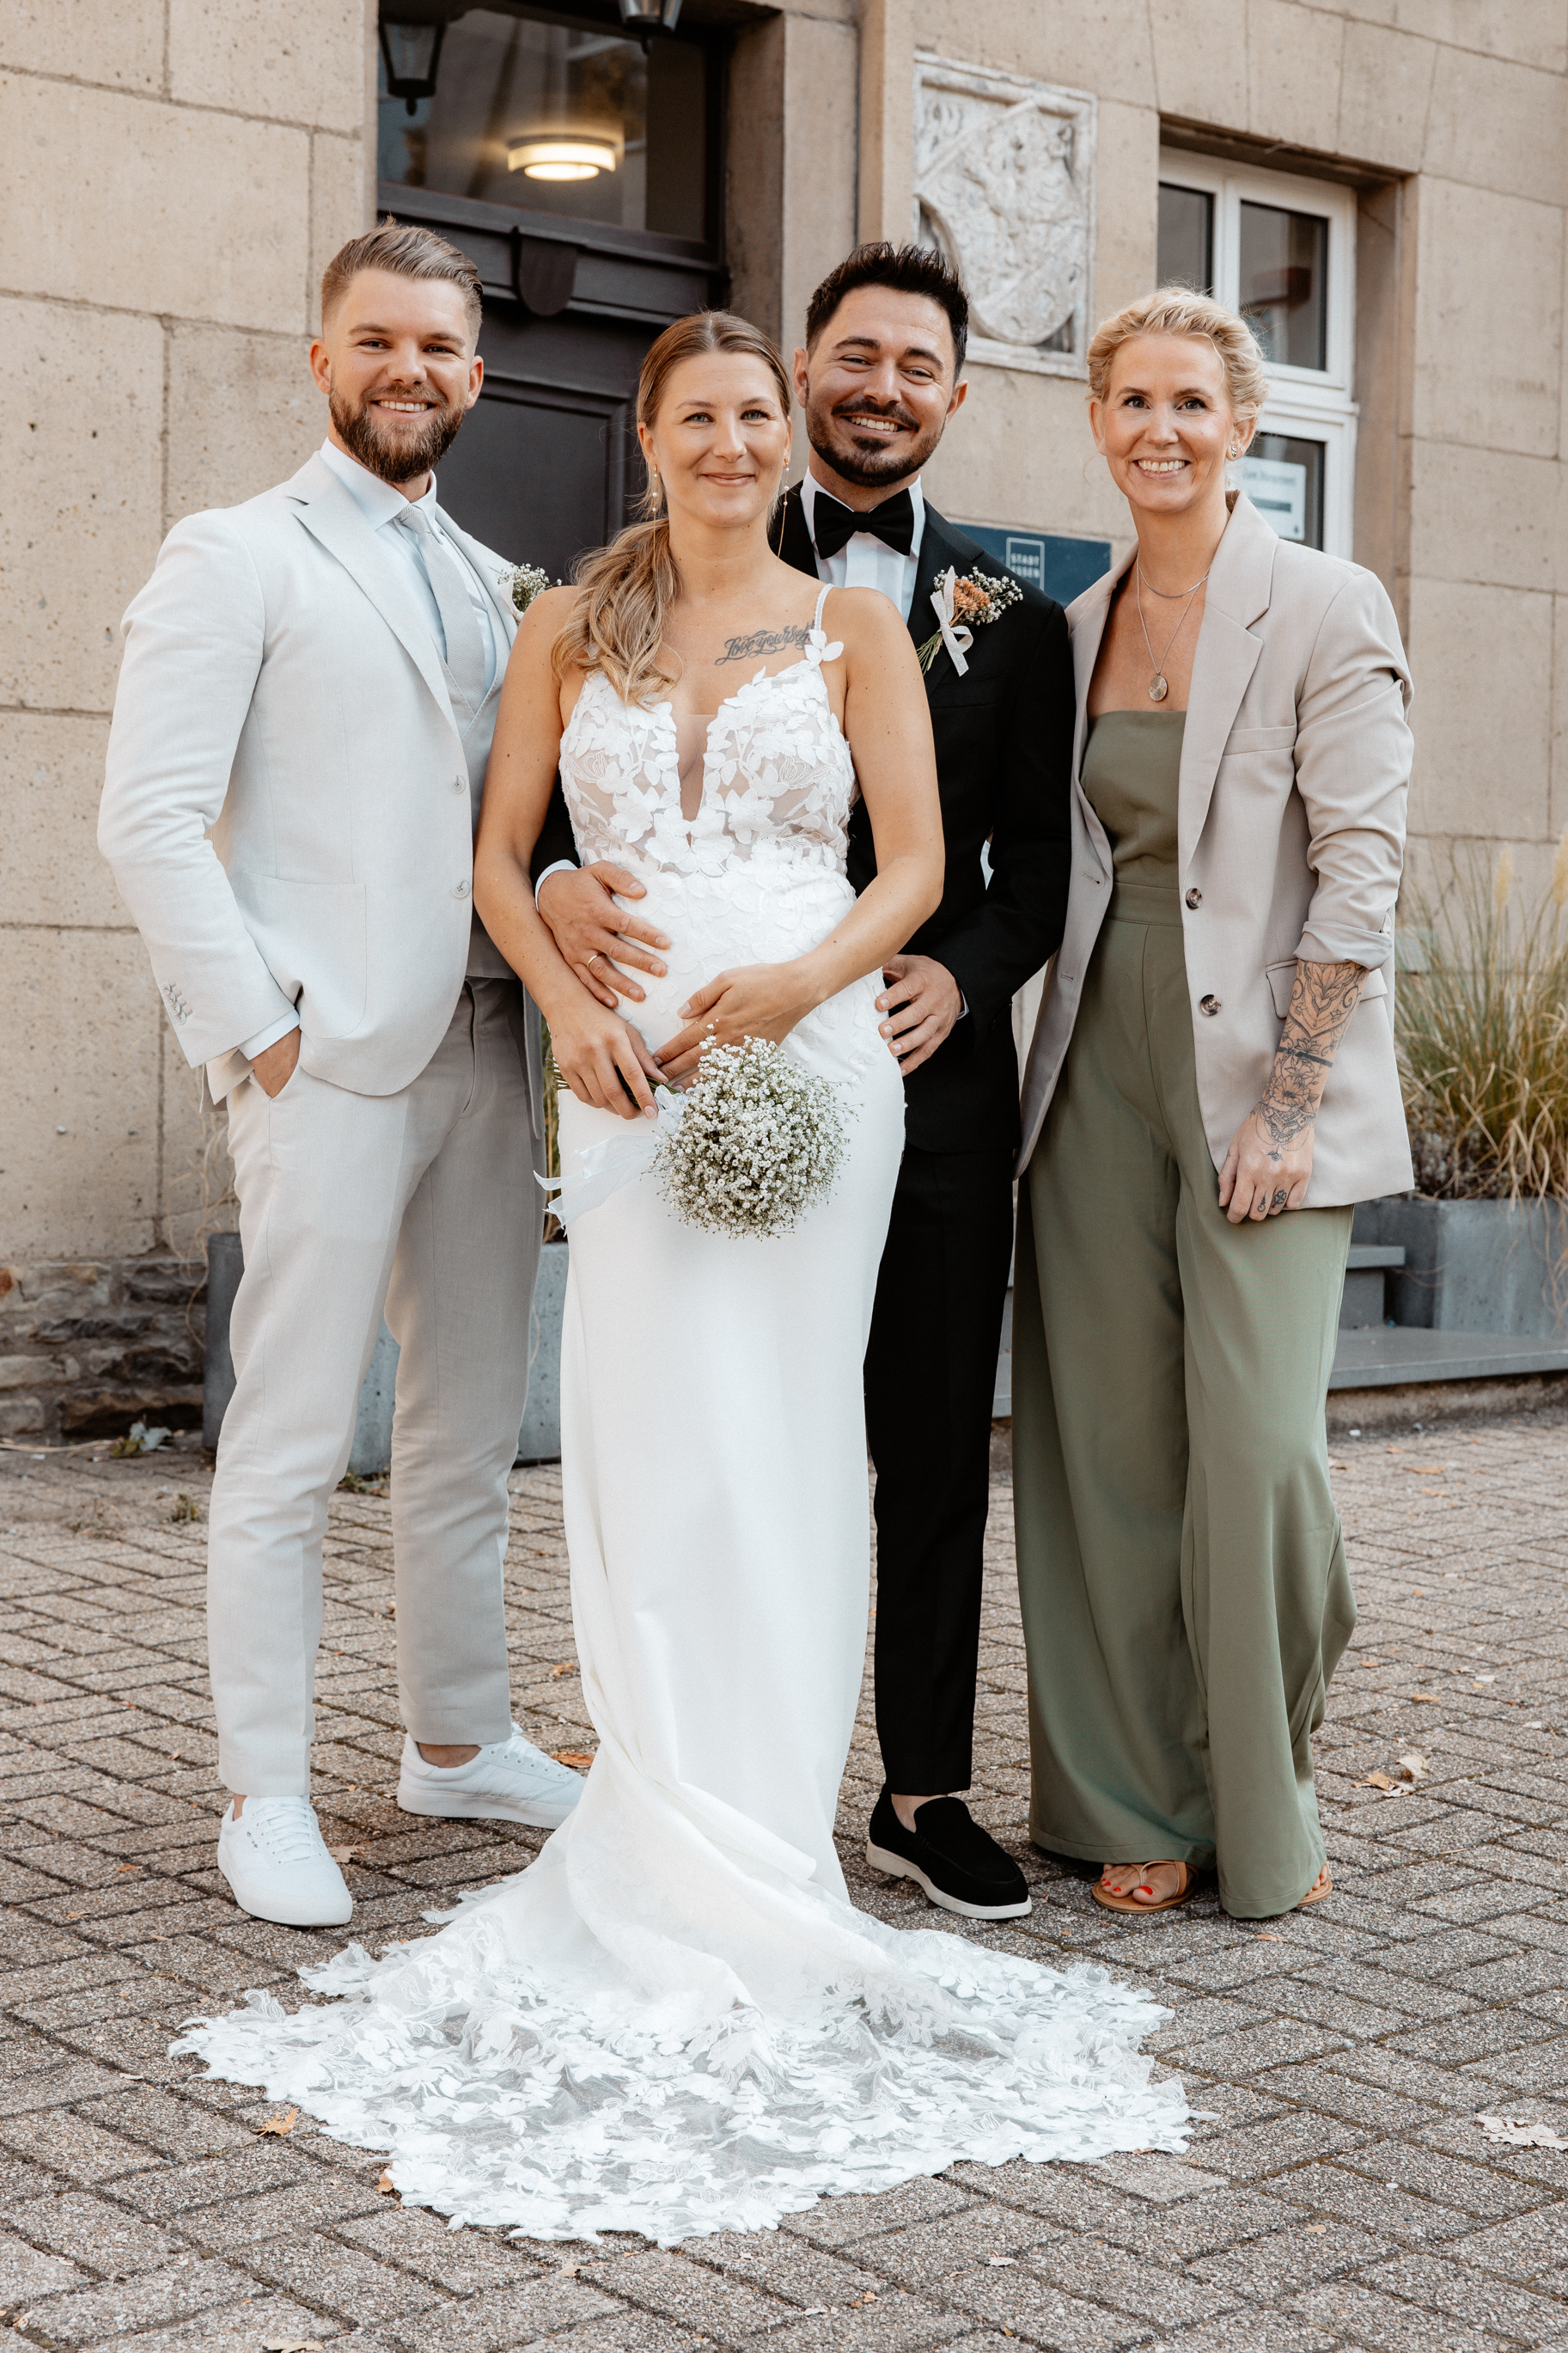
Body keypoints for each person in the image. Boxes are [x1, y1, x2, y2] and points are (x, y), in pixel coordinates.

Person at [174, 309, 1187, 2244]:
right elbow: (501, 855)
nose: (730, 442)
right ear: (647, 438)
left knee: (791, 1443)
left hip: (809, 1059)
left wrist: (804, 989)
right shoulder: (566, 625)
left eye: (750, 414)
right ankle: (651, 1820)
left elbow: (912, 868)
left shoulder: (865, 630)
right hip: (629, 1077)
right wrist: (564, 1005)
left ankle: (770, 1840)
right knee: (642, 1447)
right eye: (698, 415)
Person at [530, 244, 1075, 1921]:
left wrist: (951, 974)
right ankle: (700, 1781)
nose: (881, 388)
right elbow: (572, 805)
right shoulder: (657, 580)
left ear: (956, 396)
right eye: (854, 356)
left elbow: (1026, 875)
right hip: (679, 1055)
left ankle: (920, 1790)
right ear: (797, 383)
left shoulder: (1011, 610)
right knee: (706, 1423)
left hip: (904, 1077)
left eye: (919, 365)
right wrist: (553, 886)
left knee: (920, 1436)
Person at [98, 223, 583, 1933]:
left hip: (483, 1053)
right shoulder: (236, 554)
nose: (411, 370)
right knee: (296, 1441)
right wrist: (262, 1027)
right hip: (328, 1060)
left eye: (441, 347)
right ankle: (265, 1787)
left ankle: (457, 1737)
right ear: (324, 361)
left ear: (474, 371)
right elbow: (146, 817)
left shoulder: (496, 580)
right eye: (379, 341)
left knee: (466, 1433)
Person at [1012, 289, 1414, 1921]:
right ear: (1097, 423)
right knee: (1104, 1446)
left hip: (1267, 1080)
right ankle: (1131, 1799)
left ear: (1242, 424)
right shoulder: (1072, 621)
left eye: (1192, 401)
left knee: (1254, 1455)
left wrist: (1291, 1095)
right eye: (1130, 401)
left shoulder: (1322, 603)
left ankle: (1264, 1781)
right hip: (1092, 1067)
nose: (1158, 429)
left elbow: (1363, 868)